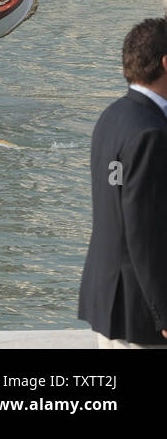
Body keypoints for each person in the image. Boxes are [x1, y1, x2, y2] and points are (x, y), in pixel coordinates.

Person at [78, 18, 167, 348]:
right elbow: (144, 233)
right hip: (142, 313)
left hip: (111, 301)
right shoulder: (153, 134)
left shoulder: (113, 115)